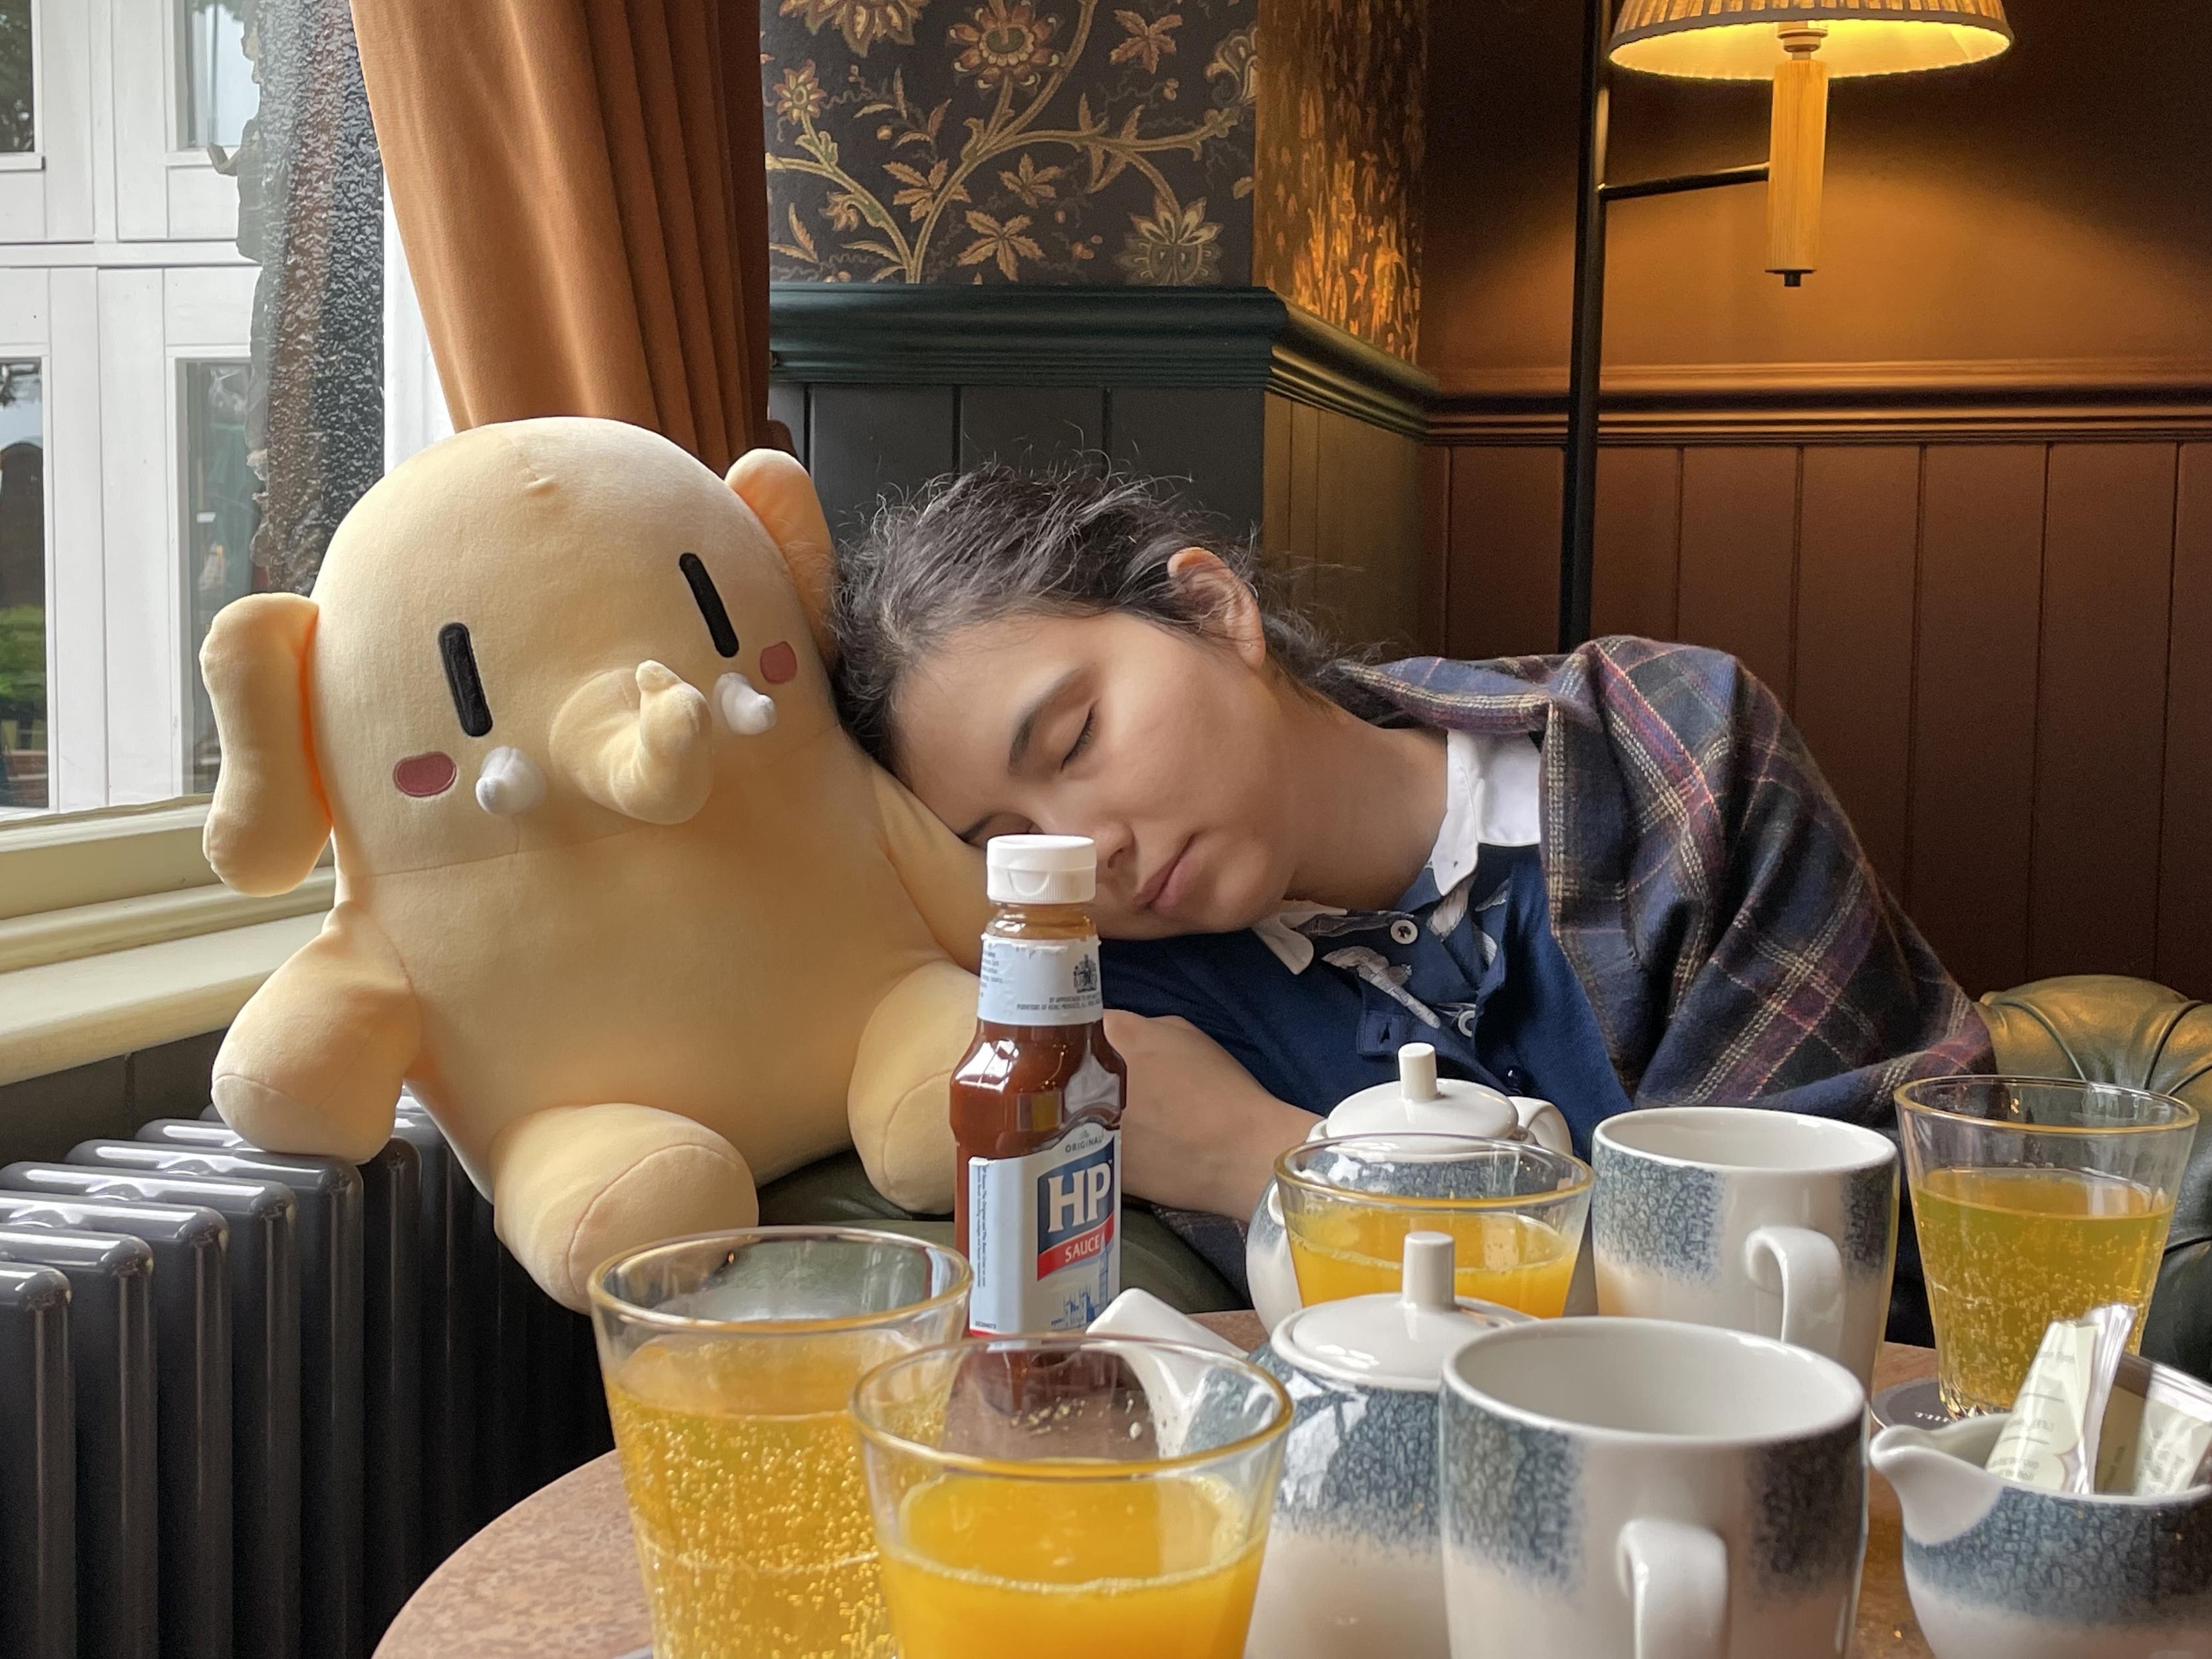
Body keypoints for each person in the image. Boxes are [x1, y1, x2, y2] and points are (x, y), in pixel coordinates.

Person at [831, 465, 1992, 1281]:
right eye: (1009, 838)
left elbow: (1815, 1278)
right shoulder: (1134, 1023)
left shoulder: (1671, 755)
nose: (1087, 852)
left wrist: (1261, 1157)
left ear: (1212, 609)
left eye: (1076, 737)